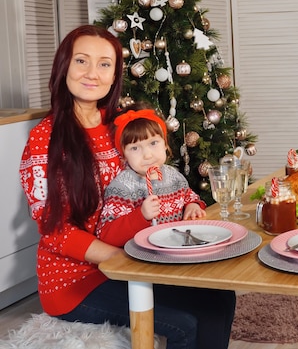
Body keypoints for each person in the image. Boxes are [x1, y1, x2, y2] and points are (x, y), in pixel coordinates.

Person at [19, 25, 235, 349]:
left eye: (105, 64)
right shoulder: (45, 138)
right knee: (184, 325)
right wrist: (125, 259)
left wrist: (191, 205)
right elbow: (56, 231)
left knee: (219, 298)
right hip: (75, 282)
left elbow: (161, 180)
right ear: (64, 65)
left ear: (114, 75)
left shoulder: (120, 127)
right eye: (82, 61)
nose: (93, 73)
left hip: (131, 259)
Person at [97, 104, 206, 247]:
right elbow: (106, 235)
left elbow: (189, 196)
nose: (147, 155)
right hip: (144, 259)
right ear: (124, 155)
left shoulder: (173, 176)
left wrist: (193, 205)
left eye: (153, 143)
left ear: (165, 145)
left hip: (178, 249)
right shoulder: (123, 187)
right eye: (135, 148)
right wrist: (140, 216)